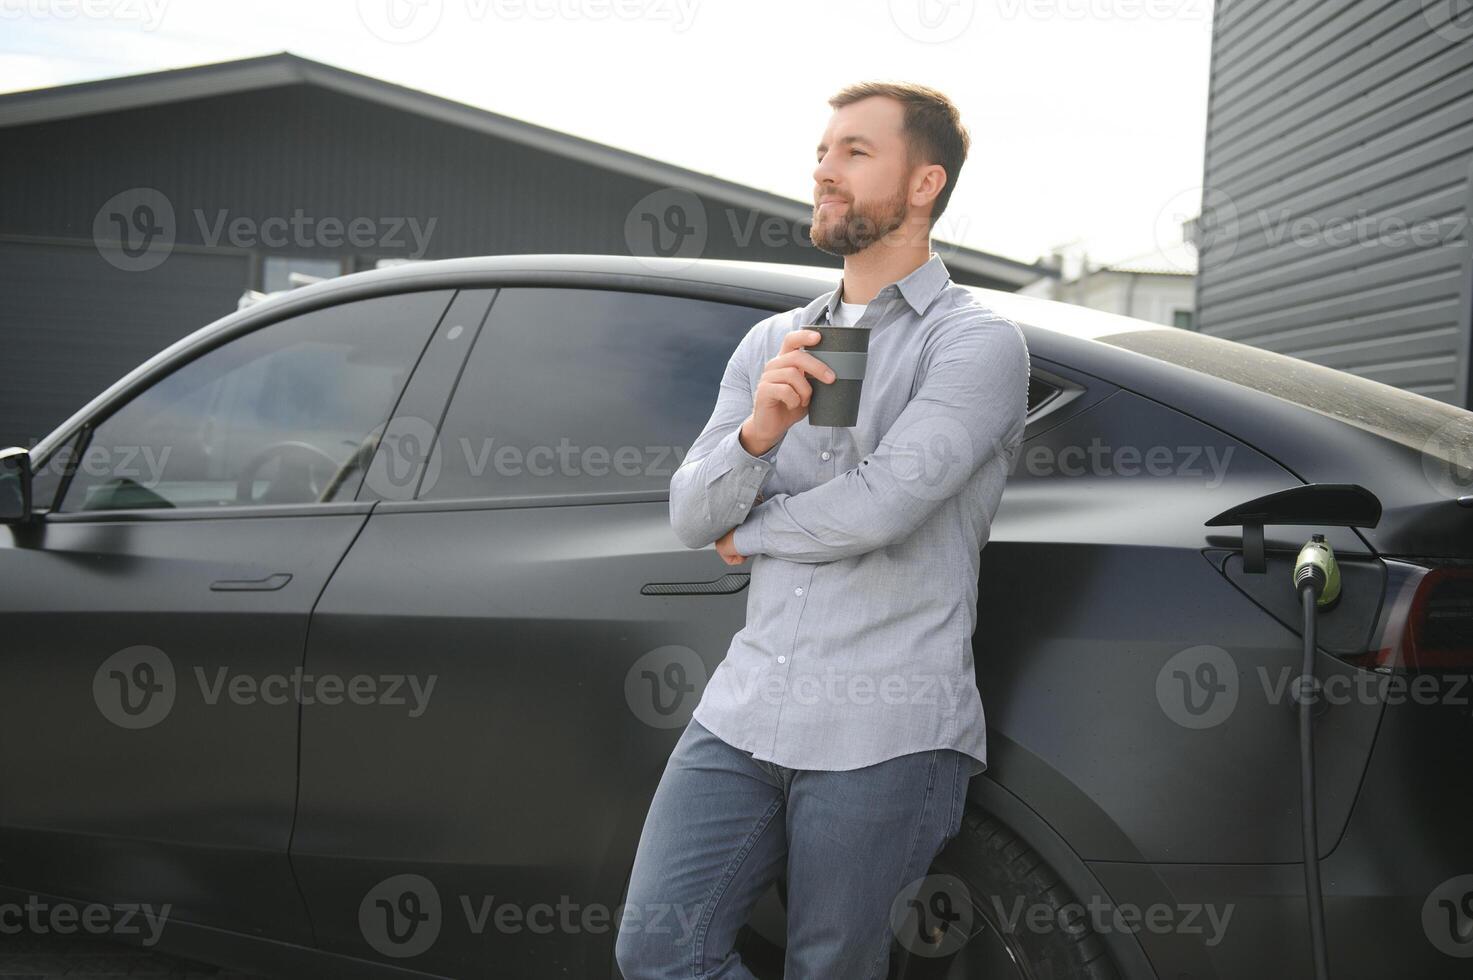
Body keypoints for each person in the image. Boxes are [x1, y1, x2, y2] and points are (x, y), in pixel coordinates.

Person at [615, 80, 1031, 980]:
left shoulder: (974, 344)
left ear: (923, 185)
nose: (822, 172)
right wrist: (758, 433)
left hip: (884, 731)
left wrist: (752, 532)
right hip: (743, 712)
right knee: (656, 952)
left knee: (830, 970)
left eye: (853, 152)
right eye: (821, 151)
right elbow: (691, 514)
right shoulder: (772, 343)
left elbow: (884, 503)